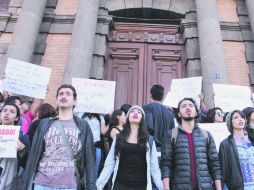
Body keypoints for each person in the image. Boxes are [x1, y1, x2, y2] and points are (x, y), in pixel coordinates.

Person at [21, 84, 96, 190]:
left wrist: (91, 186)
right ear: (56, 100)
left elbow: (89, 159)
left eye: (68, 94)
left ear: (75, 101)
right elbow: (33, 155)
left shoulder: (83, 125)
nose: (63, 96)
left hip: (69, 185)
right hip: (41, 183)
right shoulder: (43, 124)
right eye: (61, 94)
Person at [160, 97, 222, 190]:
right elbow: (166, 164)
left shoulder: (206, 135)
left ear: (196, 112)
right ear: (179, 114)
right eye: (184, 106)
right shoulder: (171, 135)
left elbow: (215, 164)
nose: (188, 108)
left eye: (191, 106)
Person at [96, 105, 163, 190]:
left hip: (141, 186)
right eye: (132, 111)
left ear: (142, 118)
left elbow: (154, 169)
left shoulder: (149, 140)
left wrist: (162, 187)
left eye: (139, 112)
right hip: (120, 185)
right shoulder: (118, 138)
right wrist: (98, 186)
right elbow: (109, 164)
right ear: (127, 117)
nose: (135, 113)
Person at [219, 110, 254, 190]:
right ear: (230, 122)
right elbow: (223, 171)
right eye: (236, 117)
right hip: (238, 187)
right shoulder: (225, 144)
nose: (240, 119)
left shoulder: (252, 141)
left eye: (242, 117)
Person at [0, 103, 30, 190]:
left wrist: (22, 151)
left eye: (12, 112)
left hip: (8, 180)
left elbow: (25, 162)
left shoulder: (23, 137)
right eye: (4, 110)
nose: (7, 113)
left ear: (17, 118)